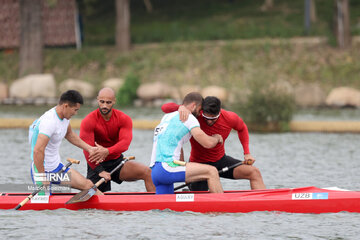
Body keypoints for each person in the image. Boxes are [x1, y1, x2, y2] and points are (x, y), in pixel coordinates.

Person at [161, 96, 266, 191]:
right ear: (201, 110)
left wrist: (247, 153)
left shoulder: (229, 118)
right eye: (207, 118)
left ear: (219, 112)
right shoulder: (195, 116)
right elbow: (165, 107)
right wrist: (181, 107)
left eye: (213, 119)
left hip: (220, 161)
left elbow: (242, 128)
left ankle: (263, 205)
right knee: (202, 197)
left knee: (254, 173)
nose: (209, 122)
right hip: (198, 164)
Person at [80, 88, 155, 192]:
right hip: (96, 164)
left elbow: (125, 144)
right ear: (97, 100)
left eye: (108, 102)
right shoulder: (88, 121)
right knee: (97, 202)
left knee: (148, 172)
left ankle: (155, 203)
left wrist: (107, 151)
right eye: (102, 102)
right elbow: (86, 150)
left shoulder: (124, 119)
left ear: (114, 101)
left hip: (117, 162)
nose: (105, 106)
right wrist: (99, 170)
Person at [29, 90, 102, 195]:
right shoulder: (49, 122)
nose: (76, 113)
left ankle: (109, 208)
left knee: (89, 185)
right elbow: (37, 150)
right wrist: (42, 176)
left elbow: (69, 135)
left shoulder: (65, 117)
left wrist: (89, 148)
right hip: (41, 170)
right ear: (66, 106)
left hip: (57, 169)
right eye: (75, 110)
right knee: (43, 208)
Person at [150, 92, 224, 194]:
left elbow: (177, 146)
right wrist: (216, 138)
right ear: (194, 105)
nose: (199, 114)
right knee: (212, 171)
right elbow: (207, 143)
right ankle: (220, 206)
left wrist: (185, 168)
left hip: (155, 171)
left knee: (164, 208)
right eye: (199, 110)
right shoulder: (189, 118)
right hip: (167, 168)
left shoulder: (167, 117)